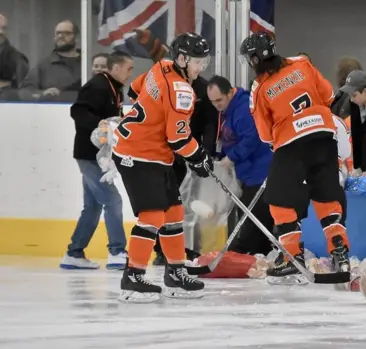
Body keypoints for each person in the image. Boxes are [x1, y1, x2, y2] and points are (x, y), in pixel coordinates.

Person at [240, 32, 351, 284]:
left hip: (291, 142)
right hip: (324, 136)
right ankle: (340, 251)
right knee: (327, 195)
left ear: (255, 59)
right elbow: (327, 96)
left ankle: (290, 256)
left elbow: (265, 134)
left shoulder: (260, 88)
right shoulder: (302, 63)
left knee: (280, 199)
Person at [112, 32, 214, 303]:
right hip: (138, 154)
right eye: (197, 62)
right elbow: (178, 138)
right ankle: (132, 277)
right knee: (153, 215)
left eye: (204, 63)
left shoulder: (160, 67)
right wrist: (199, 157)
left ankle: (175, 273)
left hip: (154, 154)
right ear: (181, 58)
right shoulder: (182, 91)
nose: (200, 68)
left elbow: (134, 90)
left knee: (174, 212)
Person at [61, 51, 134, 271]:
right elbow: (78, 111)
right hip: (89, 156)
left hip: (97, 156)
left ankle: (74, 253)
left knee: (92, 206)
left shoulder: (112, 87)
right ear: (115, 68)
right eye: (128, 68)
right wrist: (101, 124)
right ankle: (117, 251)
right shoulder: (97, 86)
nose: (130, 73)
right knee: (113, 201)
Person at [207, 75, 273, 256]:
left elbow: (251, 137)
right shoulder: (228, 109)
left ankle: (242, 251)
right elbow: (229, 138)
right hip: (246, 173)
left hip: (258, 171)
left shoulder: (243, 108)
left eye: (219, 100)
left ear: (230, 93)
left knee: (253, 215)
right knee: (248, 212)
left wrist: (232, 157)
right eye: (213, 102)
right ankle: (259, 252)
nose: (216, 105)